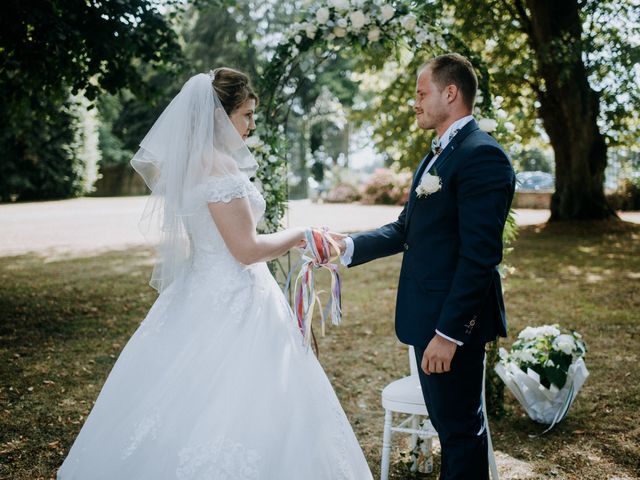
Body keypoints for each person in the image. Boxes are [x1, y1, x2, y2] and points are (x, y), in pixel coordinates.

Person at [57, 68, 372, 480]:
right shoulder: (219, 168)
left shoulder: (190, 165)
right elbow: (245, 250)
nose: (251, 125)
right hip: (237, 296)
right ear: (220, 116)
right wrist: (302, 234)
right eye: (246, 114)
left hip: (198, 289)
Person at [332, 54, 516, 479]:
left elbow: (480, 257)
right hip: (428, 318)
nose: (414, 103)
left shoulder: (481, 157)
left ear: (450, 93)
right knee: (452, 429)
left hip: (450, 327)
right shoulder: (439, 154)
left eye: (421, 93)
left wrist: (449, 334)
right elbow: (406, 229)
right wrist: (346, 247)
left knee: (459, 433)